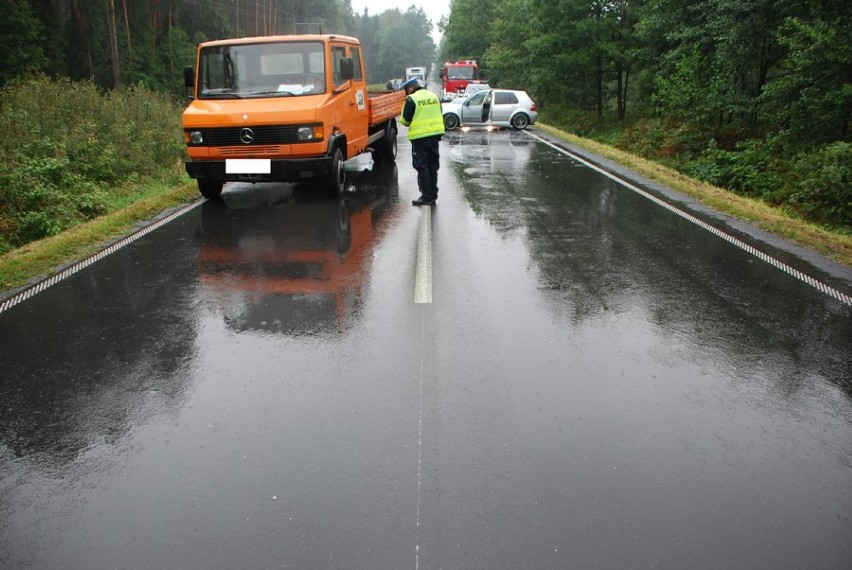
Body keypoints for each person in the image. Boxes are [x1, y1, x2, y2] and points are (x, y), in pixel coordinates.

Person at [399, 76, 445, 206]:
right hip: (435, 136)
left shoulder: (411, 99)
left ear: (411, 88)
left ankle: (426, 196)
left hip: (420, 138)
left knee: (421, 166)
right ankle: (433, 194)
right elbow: (439, 112)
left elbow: (404, 120)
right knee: (432, 166)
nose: (406, 93)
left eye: (406, 90)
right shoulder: (433, 96)